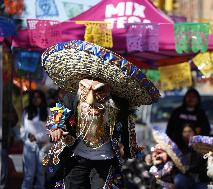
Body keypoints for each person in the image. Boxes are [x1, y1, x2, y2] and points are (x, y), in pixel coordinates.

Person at [41, 40, 160, 188]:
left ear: (107, 91)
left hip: (106, 159)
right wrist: (56, 128)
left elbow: (128, 135)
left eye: (98, 91)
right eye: (85, 89)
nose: (91, 99)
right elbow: (57, 114)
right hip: (77, 156)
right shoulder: (72, 99)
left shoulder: (117, 107)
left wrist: (133, 152)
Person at [20, 90, 50, 189]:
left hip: (44, 146)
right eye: (33, 97)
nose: (35, 99)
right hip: (29, 146)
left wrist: (37, 137)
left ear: (42, 98)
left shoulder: (48, 111)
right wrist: (27, 135)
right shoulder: (26, 111)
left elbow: (50, 132)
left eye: (38, 97)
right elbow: (22, 129)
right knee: (29, 174)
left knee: (41, 173)